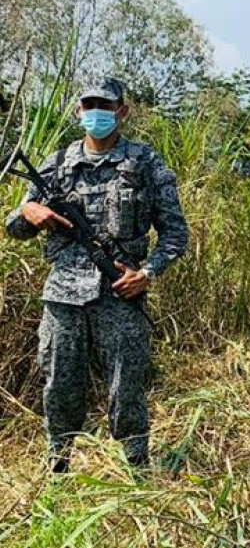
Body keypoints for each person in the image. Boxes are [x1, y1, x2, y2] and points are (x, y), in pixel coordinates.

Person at [5, 77, 188, 471]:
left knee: (127, 389)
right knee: (59, 384)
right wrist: (28, 214)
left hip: (120, 294)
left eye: (105, 106)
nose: (96, 113)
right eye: (89, 105)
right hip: (63, 296)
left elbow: (176, 234)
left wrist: (148, 273)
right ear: (78, 111)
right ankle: (59, 468)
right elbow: (14, 227)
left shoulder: (145, 164)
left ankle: (137, 469)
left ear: (122, 111)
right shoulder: (56, 165)